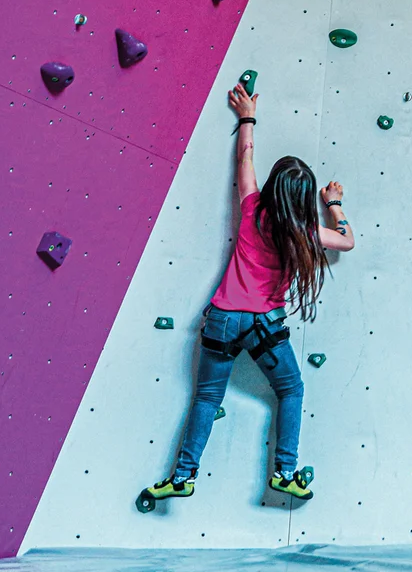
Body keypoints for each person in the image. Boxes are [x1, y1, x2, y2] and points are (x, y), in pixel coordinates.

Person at [139, 81, 355, 508]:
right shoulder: (305, 233)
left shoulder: (253, 207)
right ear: (302, 198)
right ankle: (284, 473)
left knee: (205, 398)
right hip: (263, 326)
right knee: (290, 391)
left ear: (274, 187)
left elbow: (245, 159)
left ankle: (182, 476)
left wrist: (247, 118)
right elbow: (346, 241)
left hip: (222, 318)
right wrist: (333, 203)